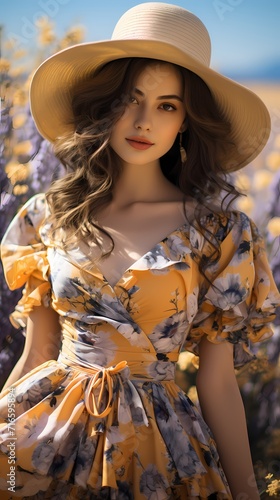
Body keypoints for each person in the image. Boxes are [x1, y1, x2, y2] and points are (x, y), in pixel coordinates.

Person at [0, 3, 279, 499]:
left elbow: (216, 384)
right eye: (129, 99)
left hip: (159, 453)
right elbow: (39, 352)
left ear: (187, 121)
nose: (143, 120)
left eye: (167, 105)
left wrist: (249, 493)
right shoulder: (48, 215)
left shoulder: (219, 233)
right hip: (47, 446)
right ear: (103, 104)